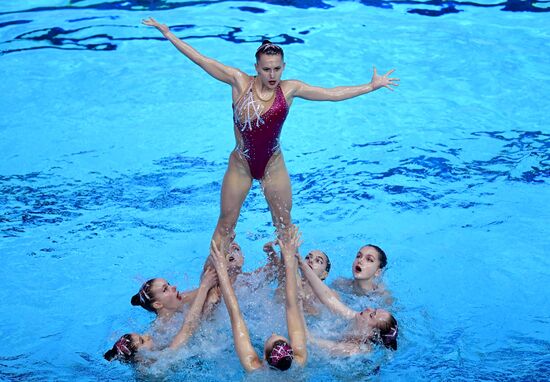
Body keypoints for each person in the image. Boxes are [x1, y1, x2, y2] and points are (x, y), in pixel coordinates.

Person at [141, 17, 400, 254]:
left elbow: (331, 93)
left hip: (273, 165)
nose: (273, 75)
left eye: (277, 68)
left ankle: (288, 285)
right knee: (225, 226)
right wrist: (168, 33)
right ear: (256, 67)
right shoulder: (239, 82)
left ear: (283, 66)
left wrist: (371, 86)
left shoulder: (290, 89)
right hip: (241, 165)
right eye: (266, 69)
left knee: (285, 227)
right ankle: (211, 283)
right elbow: (201, 59)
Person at [208, 226, 307, 371]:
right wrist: (289, 258)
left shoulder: (255, 368)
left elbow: (236, 316)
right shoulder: (298, 360)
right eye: (278, 335)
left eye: (271, 337)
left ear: (264, 360)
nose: (273, 333)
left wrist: (221, 270)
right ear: (292, 353)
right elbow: (291, 306)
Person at [104, 267, 218, 363]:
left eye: (168, 284)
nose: (147, 335)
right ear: (158, 304)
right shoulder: (157, 361)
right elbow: (188, 329)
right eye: (165, 289)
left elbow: (209, 284)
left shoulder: (174, 301)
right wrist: (205, 290)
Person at [297, 250, 398, 355]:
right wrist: (301, 262)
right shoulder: (357, 318)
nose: (368, 309)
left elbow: (307, 340)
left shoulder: (354, 350)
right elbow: (328, 297)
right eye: (374, 309)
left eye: (372, 315)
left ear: (371, 333)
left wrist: (297, 304)